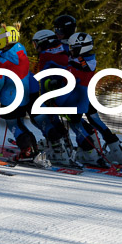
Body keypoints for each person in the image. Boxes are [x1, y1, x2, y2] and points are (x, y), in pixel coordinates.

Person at [52, 32, 122, 166]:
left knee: (76, 125)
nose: (71, 51)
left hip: (76, 99)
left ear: (80, 48)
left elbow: (68, 85)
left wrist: (56, 101)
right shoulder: (89, 60)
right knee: (96, 122)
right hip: (88, 97)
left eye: (73, 48)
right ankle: (116, 151)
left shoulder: (75, 65)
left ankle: (91, 154)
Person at [0, 25, 48, 167]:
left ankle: (27, 151)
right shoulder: (21, 50)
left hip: (9, 97)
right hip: (24, 95)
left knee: (13, 124)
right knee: (19, 123)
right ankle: (32, 148)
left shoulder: (2, 61)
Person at [29, 30, 74, 165]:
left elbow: (44, 77)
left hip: (54, 93)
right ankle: (64, 144)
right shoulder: (62, 49)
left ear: (44, 41)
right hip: (65, 92)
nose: (35, 47)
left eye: (36, 44)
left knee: (39, 118)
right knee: (56, 119)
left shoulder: (46, 55)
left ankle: (57, 148)